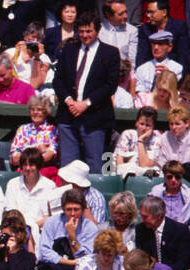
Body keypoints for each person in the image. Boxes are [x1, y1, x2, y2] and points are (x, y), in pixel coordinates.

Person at [52, 12, 120, 173]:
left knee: (96, 165)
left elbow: (110, 85)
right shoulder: (69, 49)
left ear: (97, 30)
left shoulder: (110, 53)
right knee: (68, 166)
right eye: (81, 31)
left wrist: (86, 103)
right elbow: (58, 80)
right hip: (68, 115)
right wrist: (69, 100)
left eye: (88, 31)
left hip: (95, 117)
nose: (84, 35)